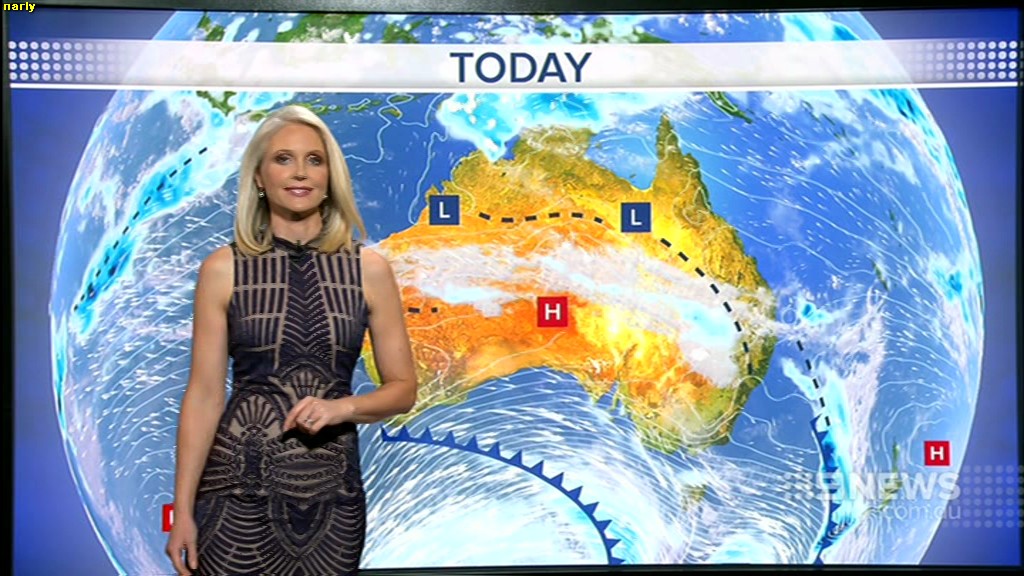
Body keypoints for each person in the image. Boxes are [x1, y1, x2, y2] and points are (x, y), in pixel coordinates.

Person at [165, 104, 417, 576]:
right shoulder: (223, 269)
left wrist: (340, 409)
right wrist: (182, 510)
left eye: (314, 160)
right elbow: (203, 395)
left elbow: (403, 390)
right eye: (284, 159)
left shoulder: (369, 270)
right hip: (233, 493)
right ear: (259, 177)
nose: (300, 172)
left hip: (333, 499)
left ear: (330, 177)